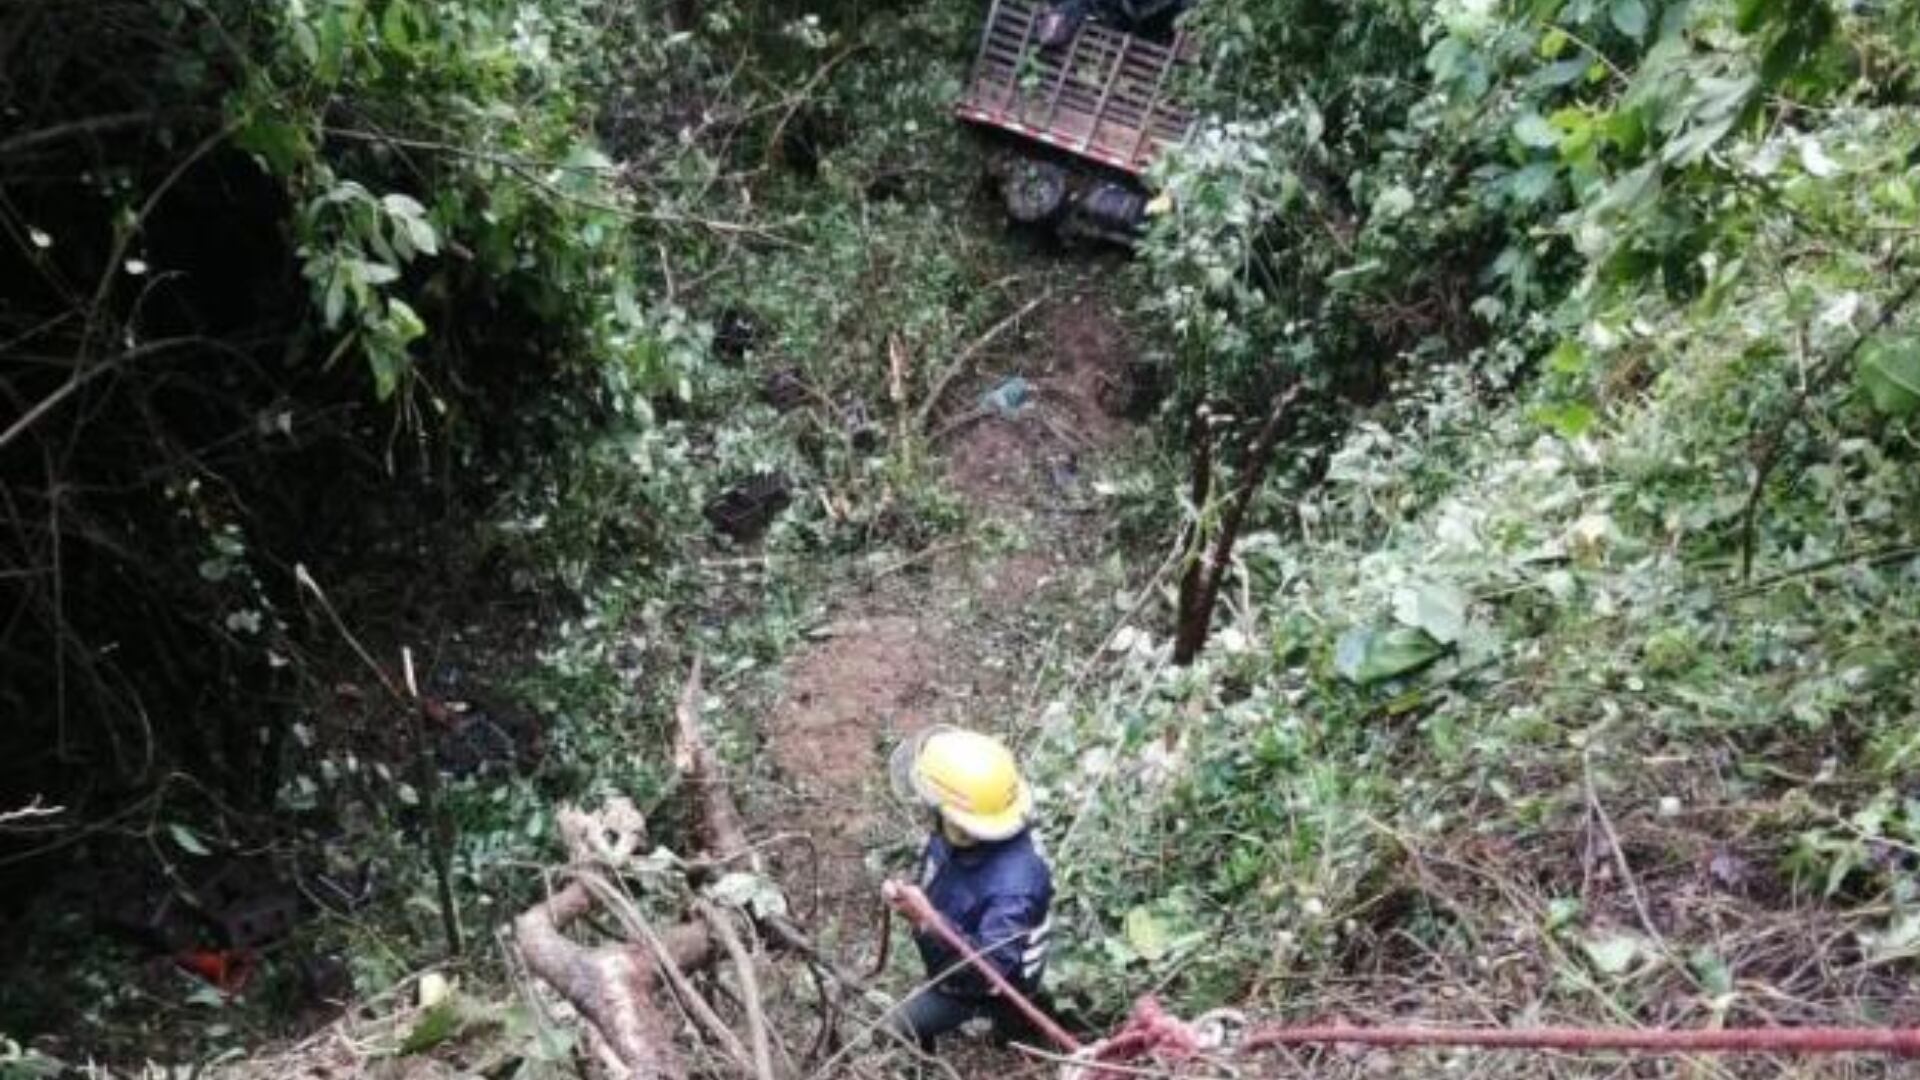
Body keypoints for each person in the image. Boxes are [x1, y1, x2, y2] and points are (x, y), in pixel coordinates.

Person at [885, 726, 1056, 1052]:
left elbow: (988, 972)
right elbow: (941, 872)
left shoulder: (1015, 886)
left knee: (896, 1026)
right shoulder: (961, 834)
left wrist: (928, 921)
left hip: (991, 985)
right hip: (958, 949)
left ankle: (1004, 1025)